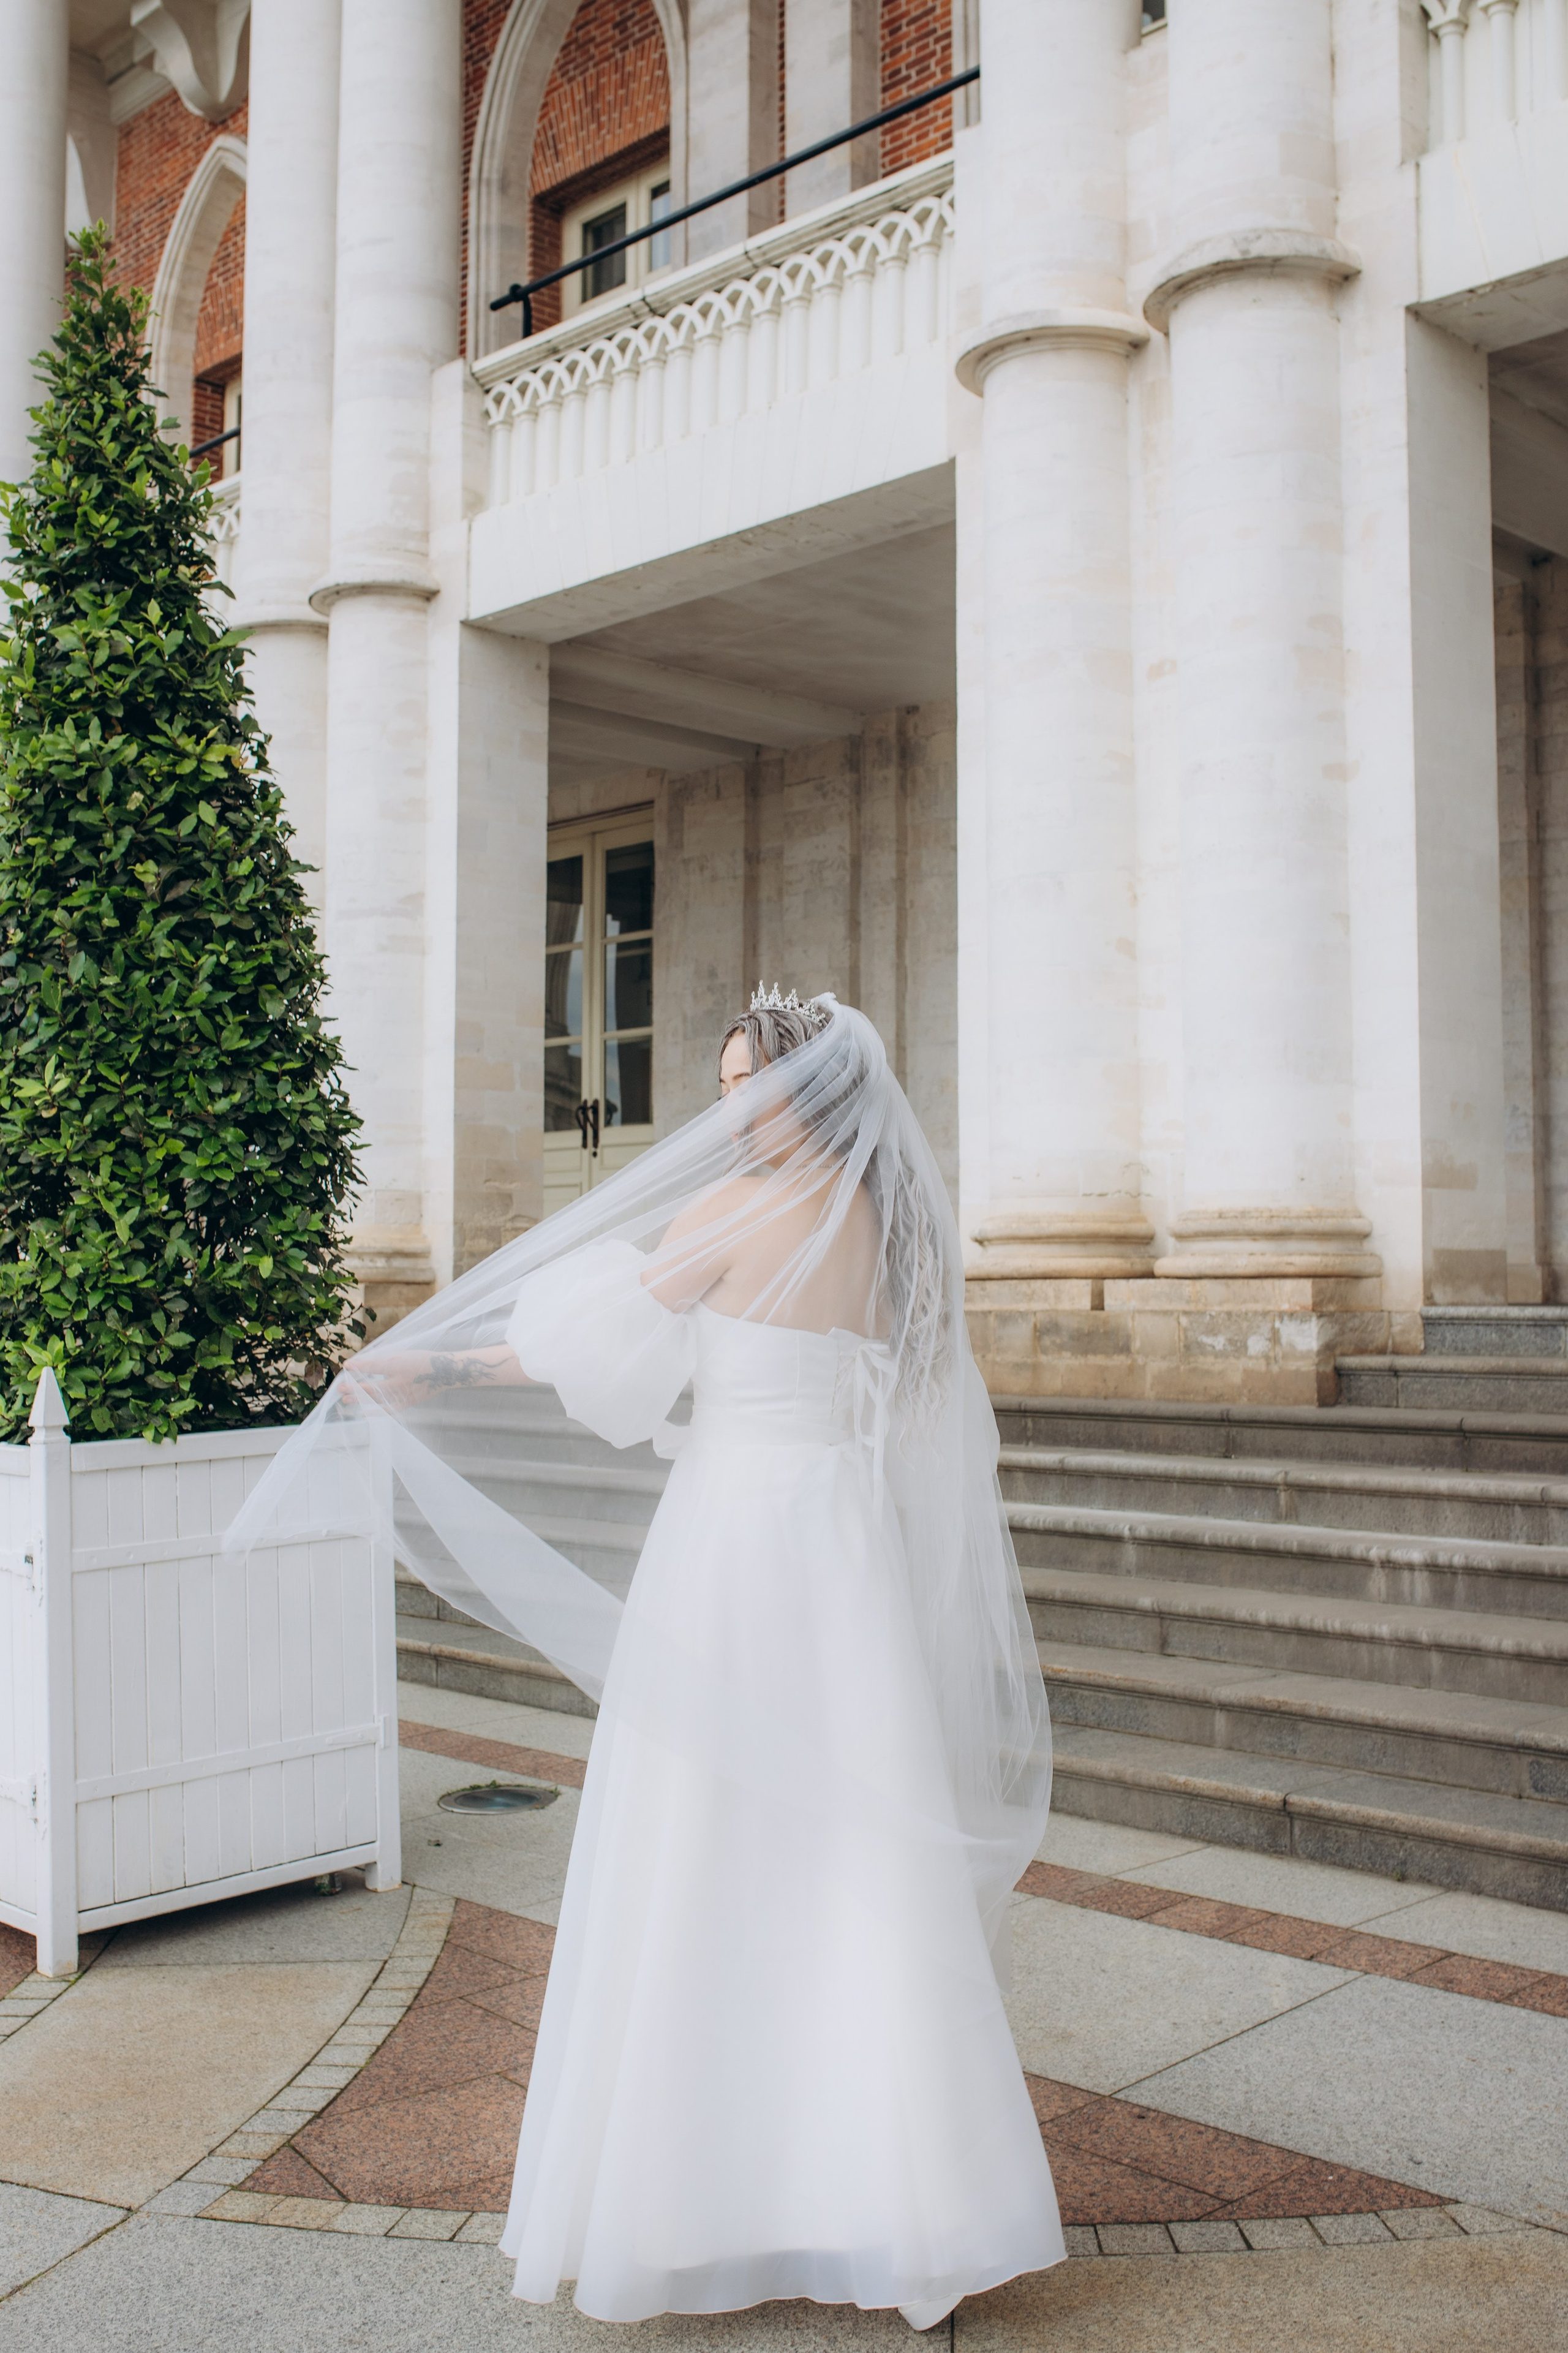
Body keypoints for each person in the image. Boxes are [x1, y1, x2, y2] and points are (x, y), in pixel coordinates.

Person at [228, 989, 1063, 2328]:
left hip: (734, 1551)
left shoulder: (728, 1215)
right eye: (725, 1083)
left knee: (700, 1838)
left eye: (753, 1087)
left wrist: (424, 1376)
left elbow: (577, 1353)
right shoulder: (891, 1226)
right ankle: (908, 2194)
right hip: (842, 1561)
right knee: (852, 1855)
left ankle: (697, 2196)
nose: (731, 1111)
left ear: (810, 1096)